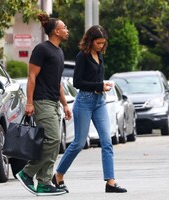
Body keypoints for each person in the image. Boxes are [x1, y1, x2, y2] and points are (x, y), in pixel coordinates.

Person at [52, 25, 127, 193]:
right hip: (84, 102)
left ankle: (110, 182)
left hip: (99, 101)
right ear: (91, 41)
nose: (101, 46)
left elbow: (97, 79)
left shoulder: (100, 55)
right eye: (98, 43)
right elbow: (77, 82)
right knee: (78, 143)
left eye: (103, 43)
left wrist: (104, 85)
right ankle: (58, 175)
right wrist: (99, 85)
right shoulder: (82, 57)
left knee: (107, 141)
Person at [16, 12, 71, 196]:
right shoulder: (42, 50)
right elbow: (31, 77)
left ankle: (44, 182)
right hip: (41, 101)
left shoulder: (59, 52)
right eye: (64, 28)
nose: (67, 30)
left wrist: (64, 104)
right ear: (56, 31)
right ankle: (27, 173)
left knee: (54, 144)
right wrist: (29, 103)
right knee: (53, 139)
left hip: (53, 102)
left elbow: (57, 82)